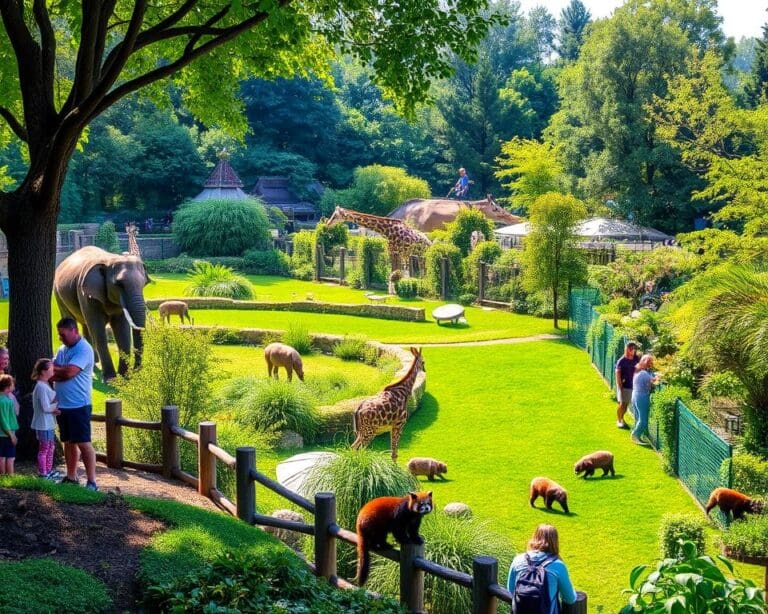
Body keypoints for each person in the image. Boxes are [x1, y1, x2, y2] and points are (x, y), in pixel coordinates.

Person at [52, 318, 98, 491]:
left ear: (74, 331)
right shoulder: (62, 350)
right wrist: (58, 371)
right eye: (59, 335)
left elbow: (70, 372)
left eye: (63, 334)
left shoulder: (84, 349)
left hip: (79, 405)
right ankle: (71, 477)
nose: (61, 338)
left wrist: (57, 371)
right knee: (68, 442)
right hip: (63, 405)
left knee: (83, 442)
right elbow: (50, 372)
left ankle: (92, 482)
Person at [508, 524, 577, 614]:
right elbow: (570, 598)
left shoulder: (518, 560)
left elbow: (510, 590)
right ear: (555, 541)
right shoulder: (558, 566)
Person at [31, 358, 61, 480]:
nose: (53, 369)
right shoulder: (41, 387)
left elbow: (49, 406)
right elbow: (45, 407)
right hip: (42, 424)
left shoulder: (45, 385)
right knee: (44, 448)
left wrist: (54, 409)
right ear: (43, 371)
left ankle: (48, 470)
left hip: (48, 423)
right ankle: (43, 473)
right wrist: (57, 404)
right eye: (50, 368)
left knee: (51, 446)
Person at [631, 354, 658, 445]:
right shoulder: (643, 373)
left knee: (638, 417)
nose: (651, 364)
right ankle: (635, 435)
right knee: (643, 419)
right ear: (645, 362)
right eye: (649, 362)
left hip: (635, 395)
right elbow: (653, 381)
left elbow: (651, 376)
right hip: (642, 396)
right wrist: (659, 377)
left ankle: (638, 435)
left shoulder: (639, 370)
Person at [614, 342, 639, 429]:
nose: (632, 350)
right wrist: (620, 386)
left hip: (632, 385)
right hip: (624, 385)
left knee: (626, 404)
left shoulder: (636, 358)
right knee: (622, 404)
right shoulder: (622, 361)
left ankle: (622, 418)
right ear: (627, 349)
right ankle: (619, 420)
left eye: (634, 349)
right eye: (630, 348)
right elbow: (617, 374)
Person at [0, 374, 18, 475]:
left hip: (3, 434)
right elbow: (3, 420)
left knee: (1, 456)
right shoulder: (6, 401)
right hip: (7, 434)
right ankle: (10, 478)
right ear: (7, 387)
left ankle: (3, 478)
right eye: (12, 384)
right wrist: (12, 435)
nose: (14, 387)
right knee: (10, 457)